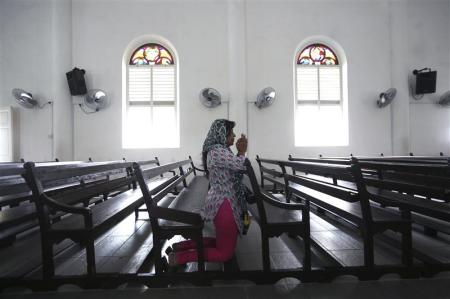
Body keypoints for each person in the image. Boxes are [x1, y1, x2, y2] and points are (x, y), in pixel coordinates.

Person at [167, 119, 248, 267]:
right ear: (222, 134)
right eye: (231, 133)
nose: (234, 135)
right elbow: (239, 165)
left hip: (223, 203)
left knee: (219, 242)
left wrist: (239, 153)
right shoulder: (217, 151)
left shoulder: (219, 150)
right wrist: (242, 152)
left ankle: (182, 246)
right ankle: (179, 258)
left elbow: (234, 166)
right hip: (225, 205)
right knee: (224, 254)